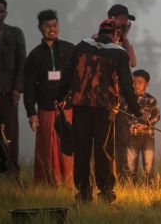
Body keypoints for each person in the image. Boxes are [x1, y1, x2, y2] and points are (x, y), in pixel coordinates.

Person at [57, 18, 141, 203]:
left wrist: (60, 97)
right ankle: (105, 193)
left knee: (82, 152)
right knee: (104, 152)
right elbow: (127, 85)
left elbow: (67, 74)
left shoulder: (81, 47)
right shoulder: (119, 53)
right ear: (116, 34)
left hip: (80, 109)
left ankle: (83, 193)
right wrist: (137, 111)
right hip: (104, 111)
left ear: (99, 31)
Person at [23, 10, 75, 186]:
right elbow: (28, 86)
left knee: (69, 146)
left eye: (54, 25)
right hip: (45, 109)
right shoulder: (35, 55)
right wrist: (31, 112)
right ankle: (47, 184)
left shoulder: (70, 49)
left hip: (68, 109)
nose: (52, 29)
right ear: (39, 28)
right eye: (47, 26)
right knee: (47, 149)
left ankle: (70, 182)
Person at [0, 0, 26, 173]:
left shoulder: (15, 33)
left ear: (6, 13)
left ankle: (11, 169)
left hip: (10, 90)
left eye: (2, 11)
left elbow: (22, 62)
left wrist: (18, 88)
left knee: (11, 131)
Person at [107, 4, 137, 175]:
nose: (125, 23)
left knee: (122, 139)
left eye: (126, 20)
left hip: (122, 97)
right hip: (104, 97)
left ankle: (122, 175)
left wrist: (124, 39)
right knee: (105, 138)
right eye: (122, 19)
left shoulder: (125, 43)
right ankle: (105, 173)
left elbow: (132, 62)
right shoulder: (99, 38)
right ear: (112, 19)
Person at [125, 69, 160, 184]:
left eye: (139, 82)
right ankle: (130, 190)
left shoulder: (151, 99)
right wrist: (133, 125)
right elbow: (125, 116)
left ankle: (149, 189)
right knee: (130, 166)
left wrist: (145, 124)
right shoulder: (129, 100)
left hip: (148, 137)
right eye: (134, 82)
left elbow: (157, 116)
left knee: (149, 166)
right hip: (132, 136)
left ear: (147, 84)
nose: (136, 85)